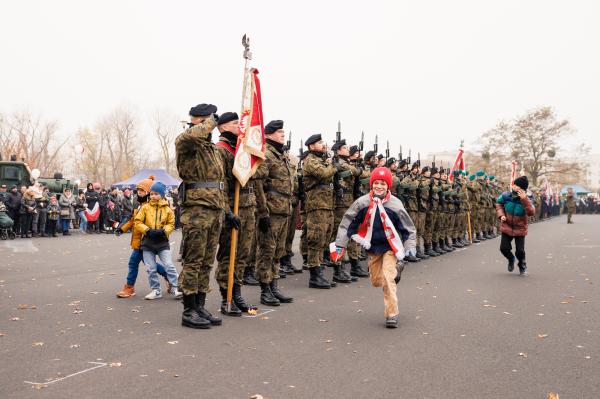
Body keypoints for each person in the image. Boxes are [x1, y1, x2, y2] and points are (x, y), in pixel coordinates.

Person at [335, 167, 417, 328]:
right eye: (376, 183)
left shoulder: (395, 204)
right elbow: (347, 223)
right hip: (372, 247)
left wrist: (410, 247)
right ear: (371, 185)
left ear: (388, 186)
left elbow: (408, 228)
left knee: (388, 279)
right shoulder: (362, 202)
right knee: (376, 280)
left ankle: (392, 314)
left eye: (383, 184)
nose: (379, 186)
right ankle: (397, 270)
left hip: (390, 247)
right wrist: (340, 245)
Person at [175, 103, 224, 329]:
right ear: (198, 120)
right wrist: (210, 122)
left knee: (206, 261)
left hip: (214, 207)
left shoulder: (210, 147)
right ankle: (188, 309)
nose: (212, 124)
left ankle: (200, 305)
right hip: (196, 208)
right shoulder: (186, 140)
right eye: (207, 120)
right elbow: (193, 136)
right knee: (193, 260)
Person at [213, 112, 257, 316]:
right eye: (233, 123)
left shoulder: (240, 150)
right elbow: (219, 187)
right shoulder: (220, 151)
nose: (239, 127)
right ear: (222, 127)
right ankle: (226, 297)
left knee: (242, 255)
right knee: (228, 254)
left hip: (248, 208)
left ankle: (236, 291)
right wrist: (228, 211)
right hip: (232, 208)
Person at [254, 120, 295, 304]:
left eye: (283, 132)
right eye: (279, 132)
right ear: (269, 134)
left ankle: (273, 286)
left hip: (284, 209)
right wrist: (262, 213)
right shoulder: (266, 154)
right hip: (270, 210)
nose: (282, 135)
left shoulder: (282, 155)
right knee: (267, 251)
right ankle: (265, 290)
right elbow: (258, 185)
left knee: (278, 251)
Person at [115, 176, 173, 298]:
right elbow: (133, 220)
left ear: (148, 192)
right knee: (150, 264)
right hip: (139, 241)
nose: (139, 193)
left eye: (142, 191)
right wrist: (122, 228)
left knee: (133, 263)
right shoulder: (140, 205)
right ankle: (169, 276)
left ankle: (129, 287)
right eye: (138, 191)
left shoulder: (150, 206)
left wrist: (152, 232)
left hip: (146, 241)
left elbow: (162, 223)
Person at [134, 181, 181, 300]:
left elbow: (171, 223)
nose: (153, 196)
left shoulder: (168, 209)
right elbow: (137, 222)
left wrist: (164, 231)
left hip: (162, 242)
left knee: (169, 265)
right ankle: (156, 290)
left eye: (156, 194)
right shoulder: (145, 207)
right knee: (151, 268)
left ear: (161, 194)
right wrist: (147, 230)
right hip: (148, 242)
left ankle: (176, 288)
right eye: (151, 194)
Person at [495, 176, 535, 276]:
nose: (514, 187)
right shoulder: (506, 195)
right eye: (514, 184)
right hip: (507, 226)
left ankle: (522, 266)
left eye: (517, 186)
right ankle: (511, 259)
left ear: (523, 188)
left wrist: (524, 199)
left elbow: (531, 212)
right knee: (504, 248)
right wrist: (501, 215)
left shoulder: (528, 198)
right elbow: (499, 204)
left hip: (520, 228)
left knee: (520, 251)